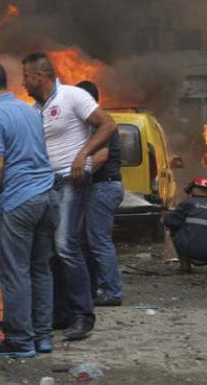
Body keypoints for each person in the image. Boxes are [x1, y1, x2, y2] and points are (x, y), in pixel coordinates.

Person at [21, 52, 117, 340]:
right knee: (49, 251)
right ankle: (59, 313)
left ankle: (83, 315)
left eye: (26, 76)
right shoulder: (35, 110)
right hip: (46, 184)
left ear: (42, 75)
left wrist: (83, 154)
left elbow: (108, 124)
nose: (23, 83)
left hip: (71, 180)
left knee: (66, 246)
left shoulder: (73, 96)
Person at [0, 62, 56, 358]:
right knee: (40, 270)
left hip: (19, 201)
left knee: (14, 272)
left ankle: (20, 341)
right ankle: (42, 337)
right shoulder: (29, 111)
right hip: (47, 197)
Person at [76, 80, 124, 307]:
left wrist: (77, 174)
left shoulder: (99, 122)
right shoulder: (93, 122)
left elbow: (101, 156)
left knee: (99, 241)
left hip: (103, 187)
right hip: (101, 187)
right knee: (88, 241)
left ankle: (112, 292)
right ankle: (94, 288)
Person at [164, 177, 207, 275]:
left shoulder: (188, 203)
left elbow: (170, 222)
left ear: (193, 188)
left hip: (189, 249)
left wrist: (165, 216)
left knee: (174, 229)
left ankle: (185, 266)